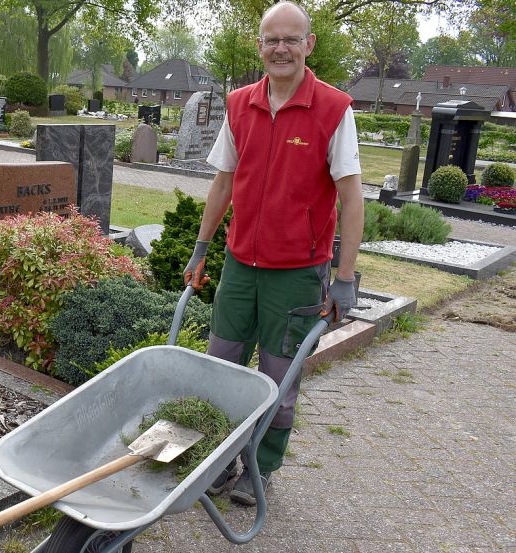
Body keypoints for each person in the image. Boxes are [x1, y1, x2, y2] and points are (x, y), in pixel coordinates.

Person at [185, 1, 364, 506]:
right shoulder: (240, 104)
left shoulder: (333, 109)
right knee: (220, 365)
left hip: (297, 273)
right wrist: (202, 250)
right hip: (240, 266)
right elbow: (223, 183)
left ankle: (258, 468)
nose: (281, 48)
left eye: (291, 39)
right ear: (259, 45)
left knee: (278, 379)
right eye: (271, 40)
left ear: (309, 45)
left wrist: (344, 275)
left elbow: (351, 198)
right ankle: (218, 460)